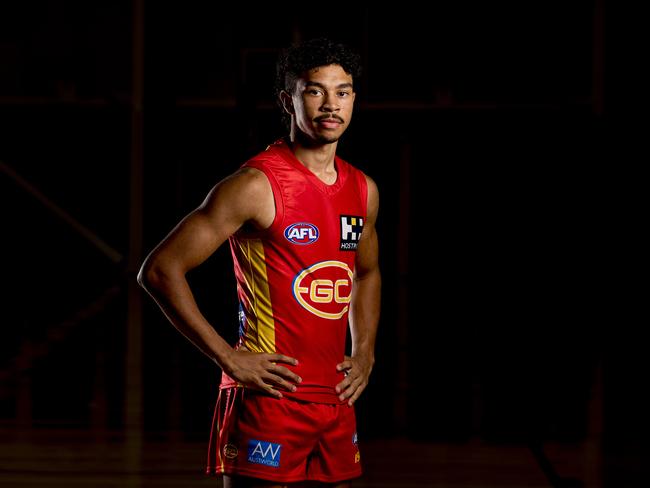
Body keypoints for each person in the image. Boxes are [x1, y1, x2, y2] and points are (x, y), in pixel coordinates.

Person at [137, 37, 381, 488]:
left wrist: (363, 352)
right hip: (268, 398)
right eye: (314, 90)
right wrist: (229, 358)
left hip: (334, 400)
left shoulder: (363, 190)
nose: (331, 104)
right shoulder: (255, 184)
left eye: (342, 91)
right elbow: (159, 269)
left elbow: (366, 272)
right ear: (289, 100)